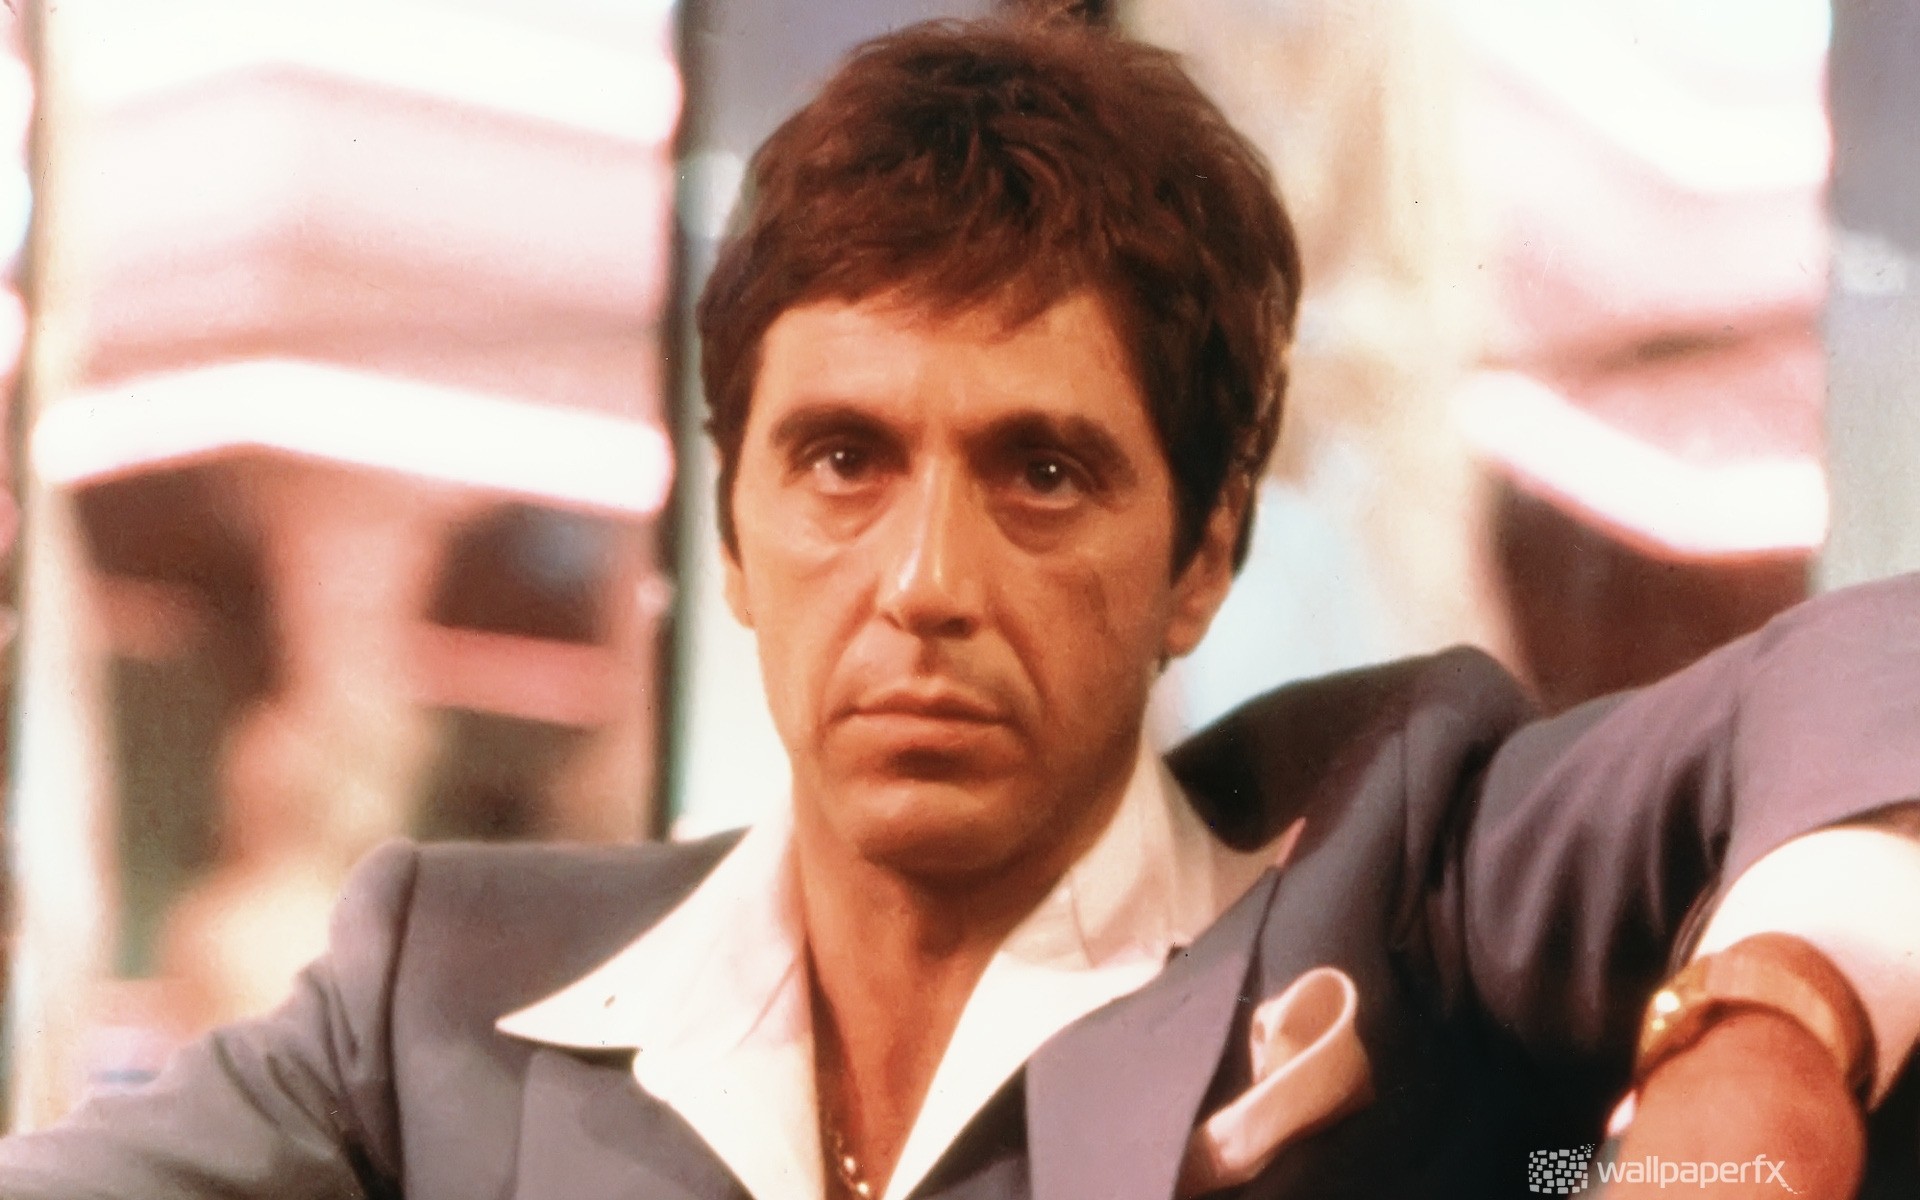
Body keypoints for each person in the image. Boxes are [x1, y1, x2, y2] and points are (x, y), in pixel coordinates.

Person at [4, 15, 1919, 1200]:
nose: (924, 586)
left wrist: (1761, 1038)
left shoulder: (1390, 872)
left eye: (1044, 473)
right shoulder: (437, 994)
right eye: (843, 460)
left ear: (1202, 559)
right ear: (733, 538)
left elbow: (1871, 669)